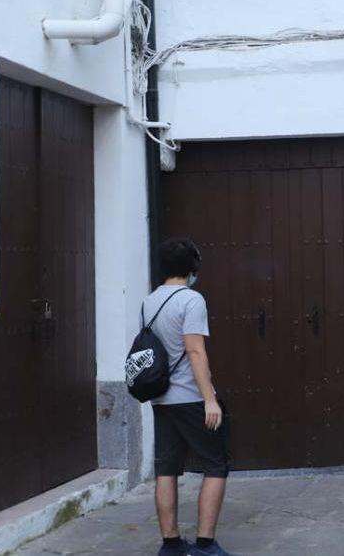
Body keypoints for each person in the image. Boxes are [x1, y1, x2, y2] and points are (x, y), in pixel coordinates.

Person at [145, 237, 233, 556]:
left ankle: (170, 545)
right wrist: (209, 398)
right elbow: (195, 351)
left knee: (166, 468)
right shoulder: (191, 300)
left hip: (161, 399)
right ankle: (206, 545)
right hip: (189, 397)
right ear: (191, 267)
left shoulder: (150, 301)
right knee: (215, 464)